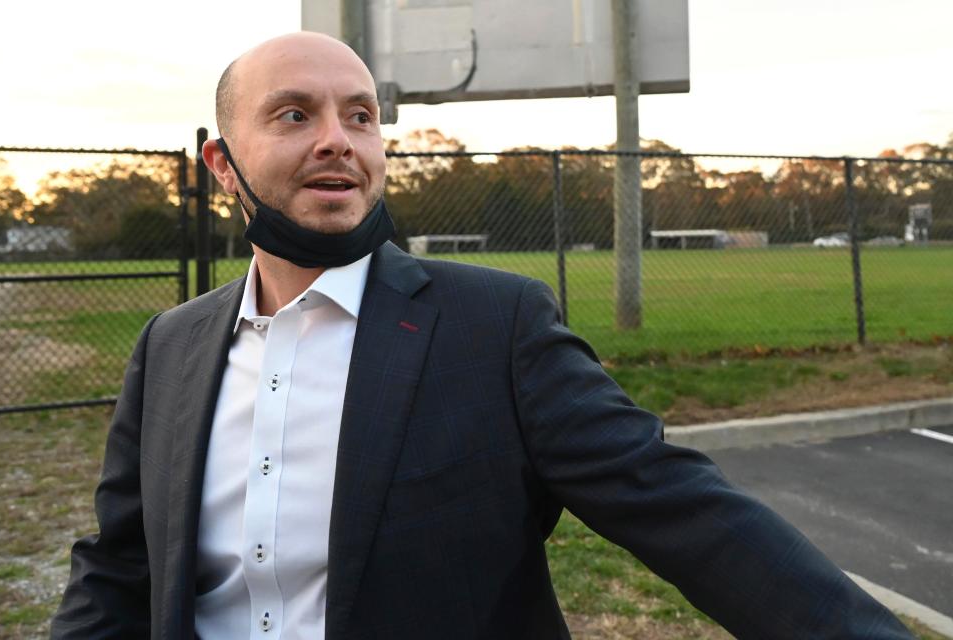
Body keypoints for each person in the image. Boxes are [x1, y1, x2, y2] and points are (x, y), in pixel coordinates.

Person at [51, 32, 913, 639]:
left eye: (359, 116)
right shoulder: (170, 347)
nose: (337, 142)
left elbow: (687, 512)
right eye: (292, 116)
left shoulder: (496, 327)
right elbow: (119, 568)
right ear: (221, 163)